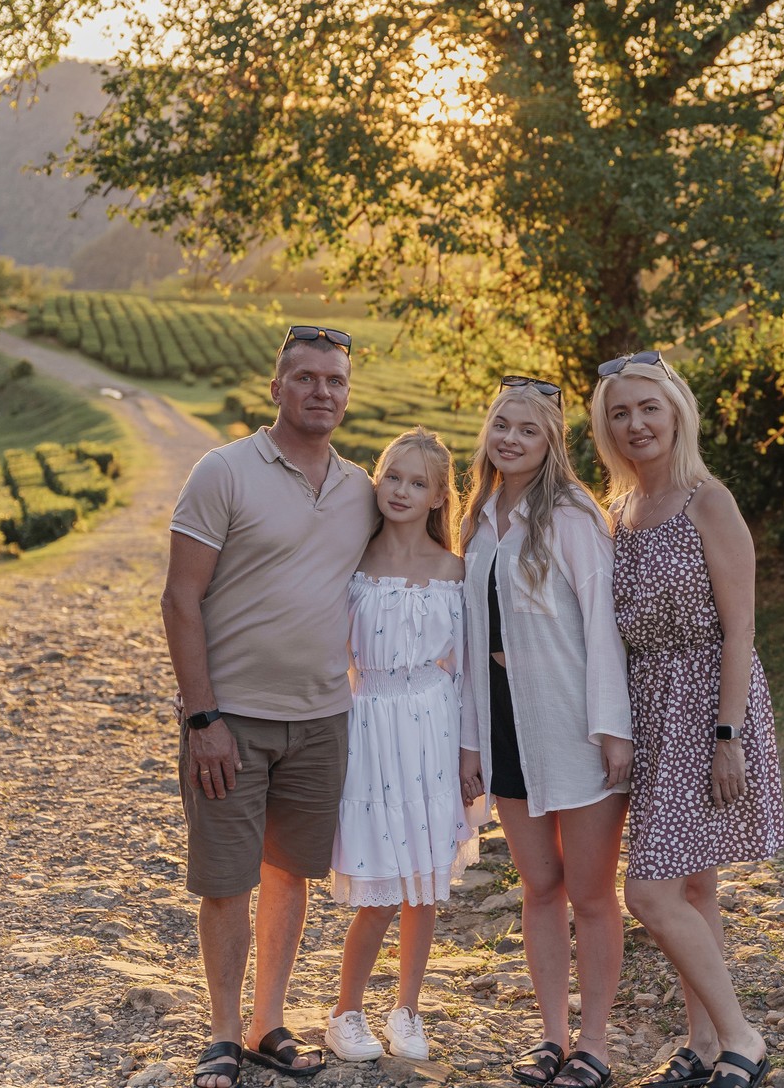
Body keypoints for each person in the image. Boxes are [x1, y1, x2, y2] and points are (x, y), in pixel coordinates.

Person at [161, 325, 378, 1088]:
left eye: (335, 381)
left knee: (290, 874)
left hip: (322, 719)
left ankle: (266, 1023)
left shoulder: (361, 490)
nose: (322, 391)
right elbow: (180, 599)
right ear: (276, 387)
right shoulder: (223, 471)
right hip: (231, 720)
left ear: (348, 395)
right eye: (307, 377)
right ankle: (222, 1032)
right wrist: (203, 719)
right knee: (227, 880)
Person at [589, 352, 784, 1088]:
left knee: (649, 893)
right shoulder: (616, 513)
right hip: (647, 704)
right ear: (606, 429)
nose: (635, 423)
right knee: (694, 887)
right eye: (620, 413)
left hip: (706, 702)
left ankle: (742, 1037)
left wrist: (727, 736)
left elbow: (740, 629)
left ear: (676, 413)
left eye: (649, 407)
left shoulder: (709, 500)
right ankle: (703, 1044)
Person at [459, 376, 633, 1088]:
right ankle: (551, 1035)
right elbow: (468, 642)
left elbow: (604, 626)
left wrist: (613, 727)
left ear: (552, 441)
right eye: (502, 424)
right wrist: (471, 741)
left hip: (573, 723)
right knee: (539, 887)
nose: (511, 439)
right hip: (505, 724)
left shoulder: (572, 516)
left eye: (528, 430)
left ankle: (594, 1043)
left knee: (589, 892)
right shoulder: (477, 520)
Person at [324, 427, 479, 1063]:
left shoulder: (454, 571)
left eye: (418, 483)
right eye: (392, 476)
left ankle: (407, 1009)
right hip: (370, 724)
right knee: (382, 884)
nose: (402, 491)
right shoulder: (353, 563)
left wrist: (470, 754)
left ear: (440, 496)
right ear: (377, 478)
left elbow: (468, 674)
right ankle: (346, 1012)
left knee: (424, 884)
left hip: (433, 727)